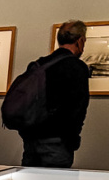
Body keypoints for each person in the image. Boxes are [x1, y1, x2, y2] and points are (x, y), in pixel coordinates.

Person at [19, 20, 90, 168]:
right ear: (80, 41)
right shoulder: (77, 67)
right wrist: (72, 140)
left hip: (32, 142)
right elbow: (78, 108)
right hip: (57, 144)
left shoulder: (40, 64)